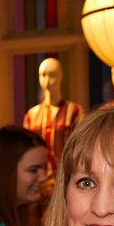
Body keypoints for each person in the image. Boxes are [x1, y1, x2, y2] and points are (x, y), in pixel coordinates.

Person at [23, 56, 83, 188]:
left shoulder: (74, 111)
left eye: (52, 75)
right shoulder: (31, 115)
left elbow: (80, 148)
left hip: (66, 179)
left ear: (61, 76)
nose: (47, 81)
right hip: (39, 183)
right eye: (43, 75)